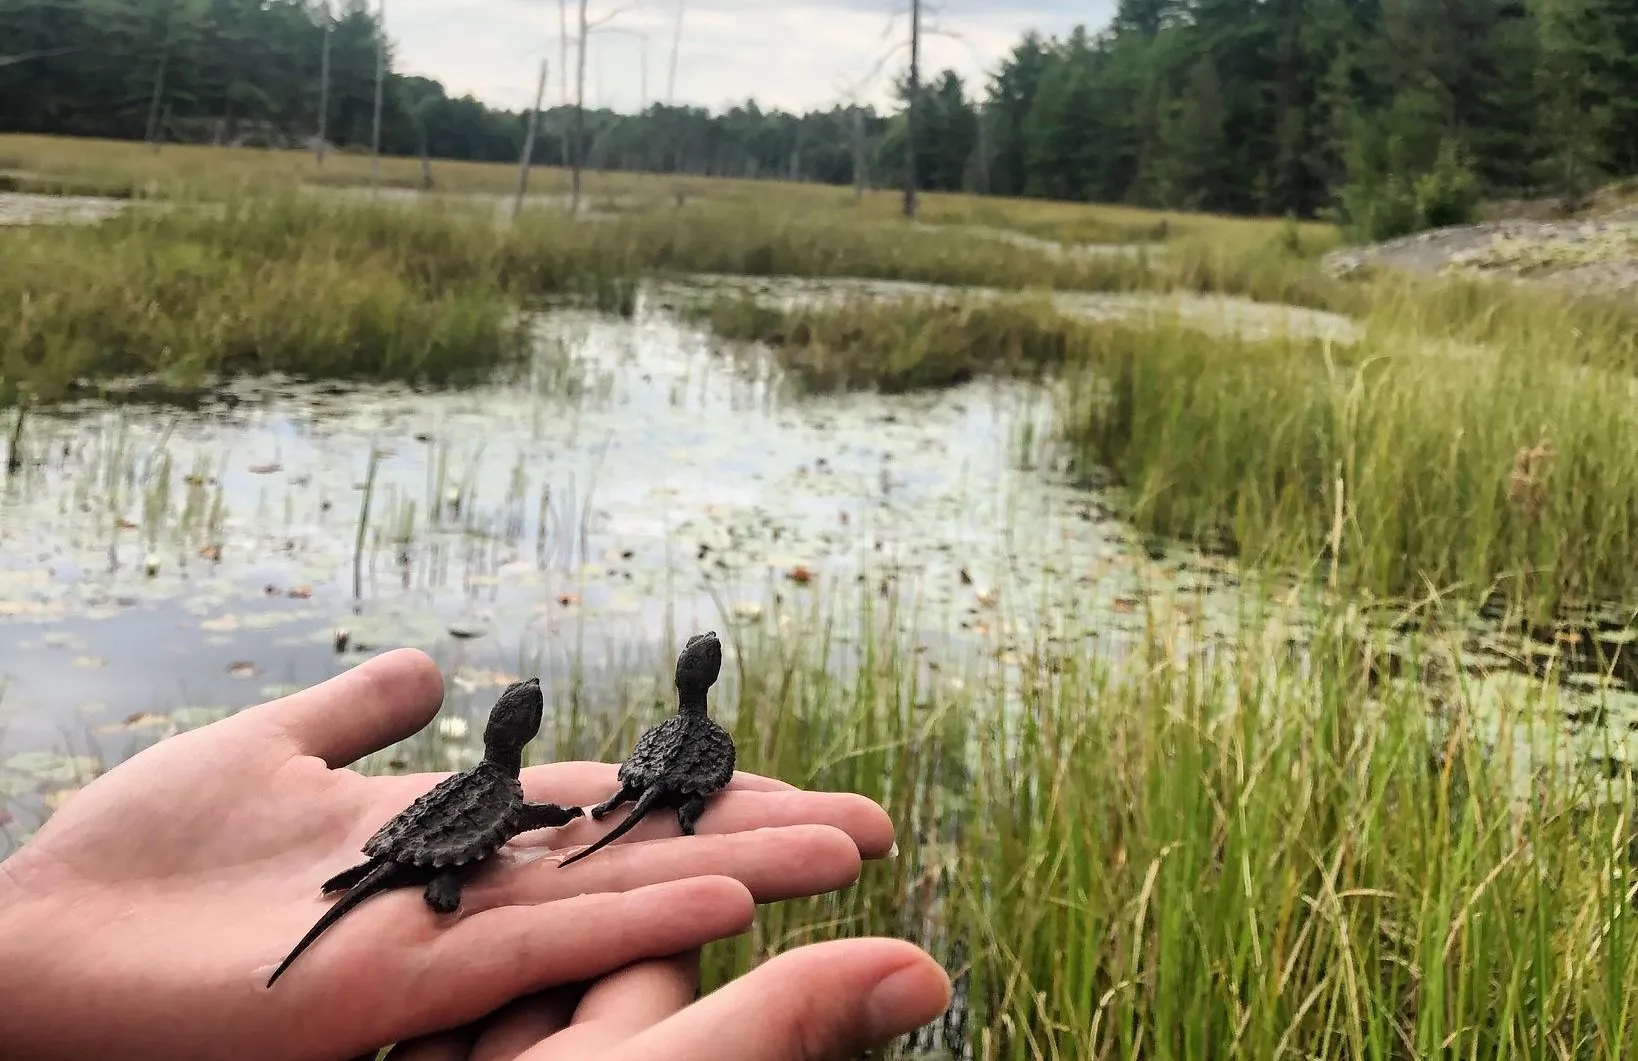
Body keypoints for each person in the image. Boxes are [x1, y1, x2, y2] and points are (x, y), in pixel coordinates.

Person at [0, 648, 951, 1061]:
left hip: (407, 829)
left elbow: (517, 809)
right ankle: (411, 876)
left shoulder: (490, 784)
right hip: (448, 840)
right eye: (524, 707)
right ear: (519, 731)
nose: (526, 705)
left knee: (376, 868)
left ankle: (369, 871)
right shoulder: (506, 794)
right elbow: (527, 814)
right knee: (416, 874)